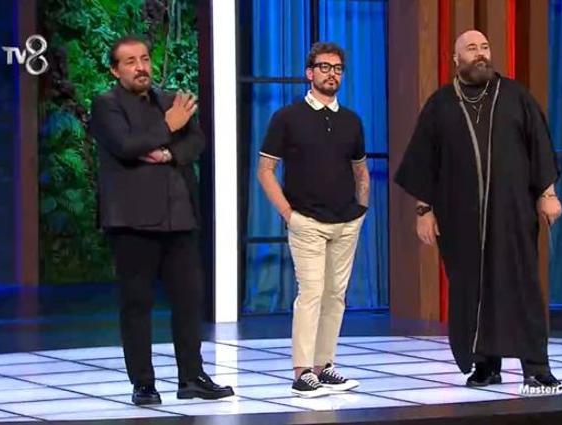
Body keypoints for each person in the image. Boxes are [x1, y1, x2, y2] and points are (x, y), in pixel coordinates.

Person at [394, 30, 562, 388]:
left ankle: (536, 365)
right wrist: (424, 211)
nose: (481, 53)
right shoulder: (441, 104)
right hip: (459, 219)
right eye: (471, 48)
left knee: (522, 285)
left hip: (513, 215)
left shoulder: (515, 96)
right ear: (456, 59)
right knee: (471, 289)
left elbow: (539, 146)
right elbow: (425, 161)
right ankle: (486, 364)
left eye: (484, 47)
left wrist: (547, 193)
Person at [89, 35, 234, 405]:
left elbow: (196, 141)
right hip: (132, 222)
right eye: (130, 62)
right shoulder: (106, 105)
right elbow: (126, 146)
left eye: (144, 59)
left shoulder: (170, 100)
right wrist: (169, 126)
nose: (141, 67)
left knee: (188, 301)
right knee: (137, 305)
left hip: (179, 217)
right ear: (115, 70)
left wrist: (168, 153)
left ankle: (192, 377)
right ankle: (143, 383)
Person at [257, 42, 370, 397]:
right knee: (311, 294)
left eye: (337, 68)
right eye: (324, 67)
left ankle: (324, 366)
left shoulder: (351, 120)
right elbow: (265, 170)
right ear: (309, 73)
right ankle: (302, 371)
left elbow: (361, 172)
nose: (331, 73)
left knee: (335, 296)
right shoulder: (287, 117)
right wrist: (289, 214)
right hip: (306, 220)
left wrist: (361, 211)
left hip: (346, 222)